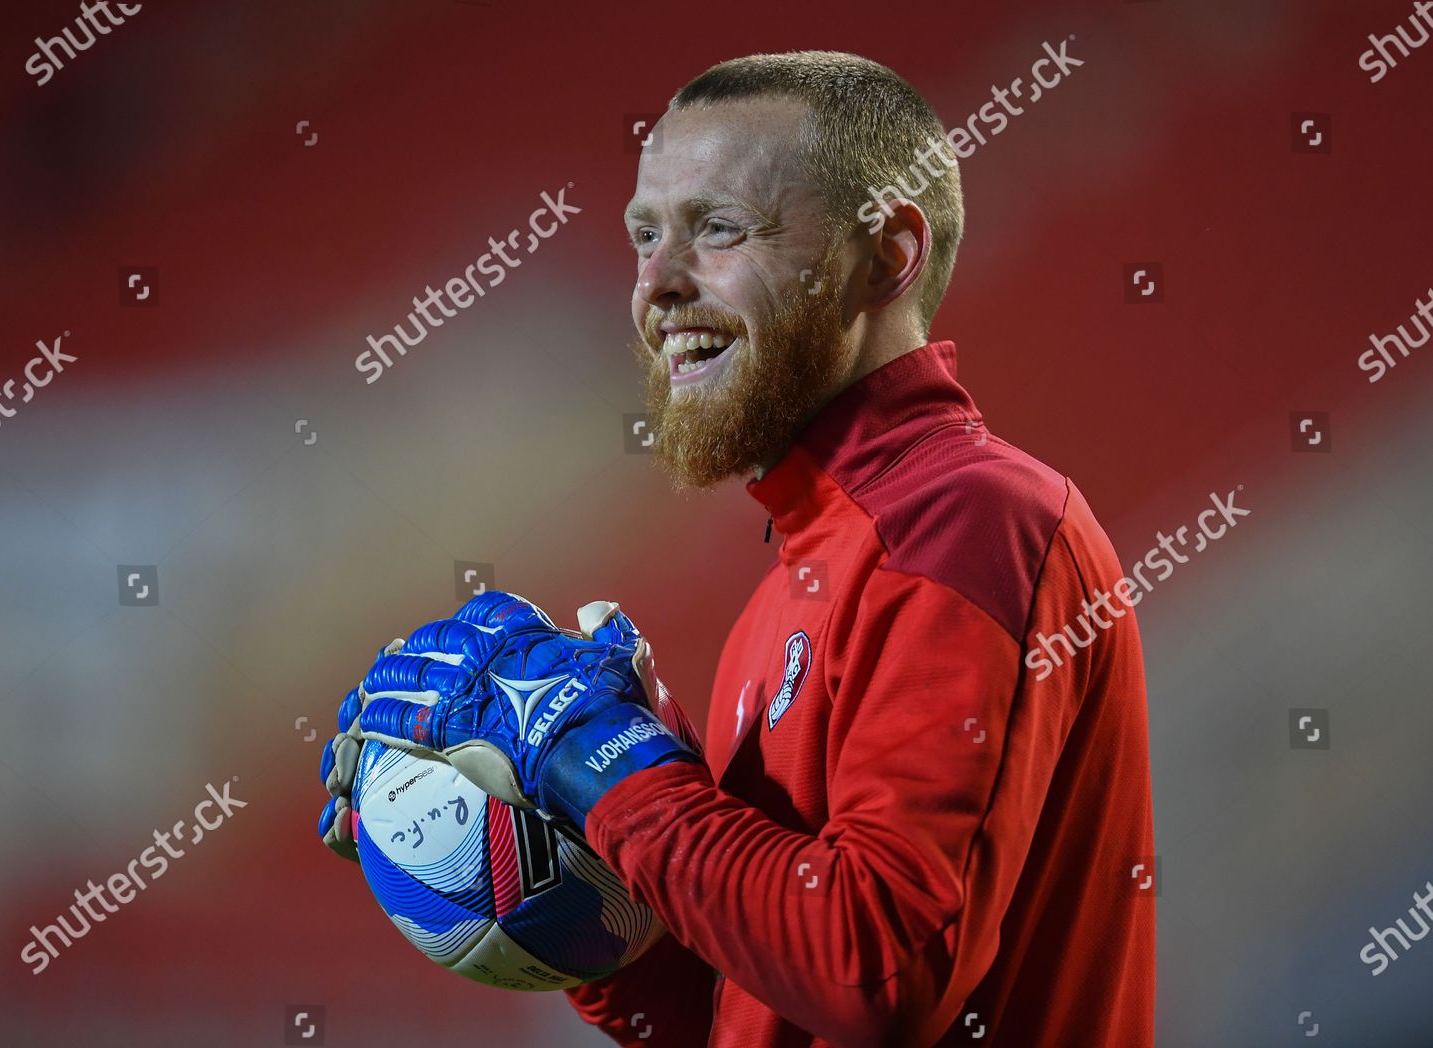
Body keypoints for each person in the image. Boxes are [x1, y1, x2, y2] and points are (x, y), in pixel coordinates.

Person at [321, 50, 1154, 1047]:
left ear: (885, 255)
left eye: (717, 229)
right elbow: (767, 1015)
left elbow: (882, 971)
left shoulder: (969, 521)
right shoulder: (797, 580)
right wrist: (577, 876)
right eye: (644, 237)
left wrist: (606, 765)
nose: (657, 286)